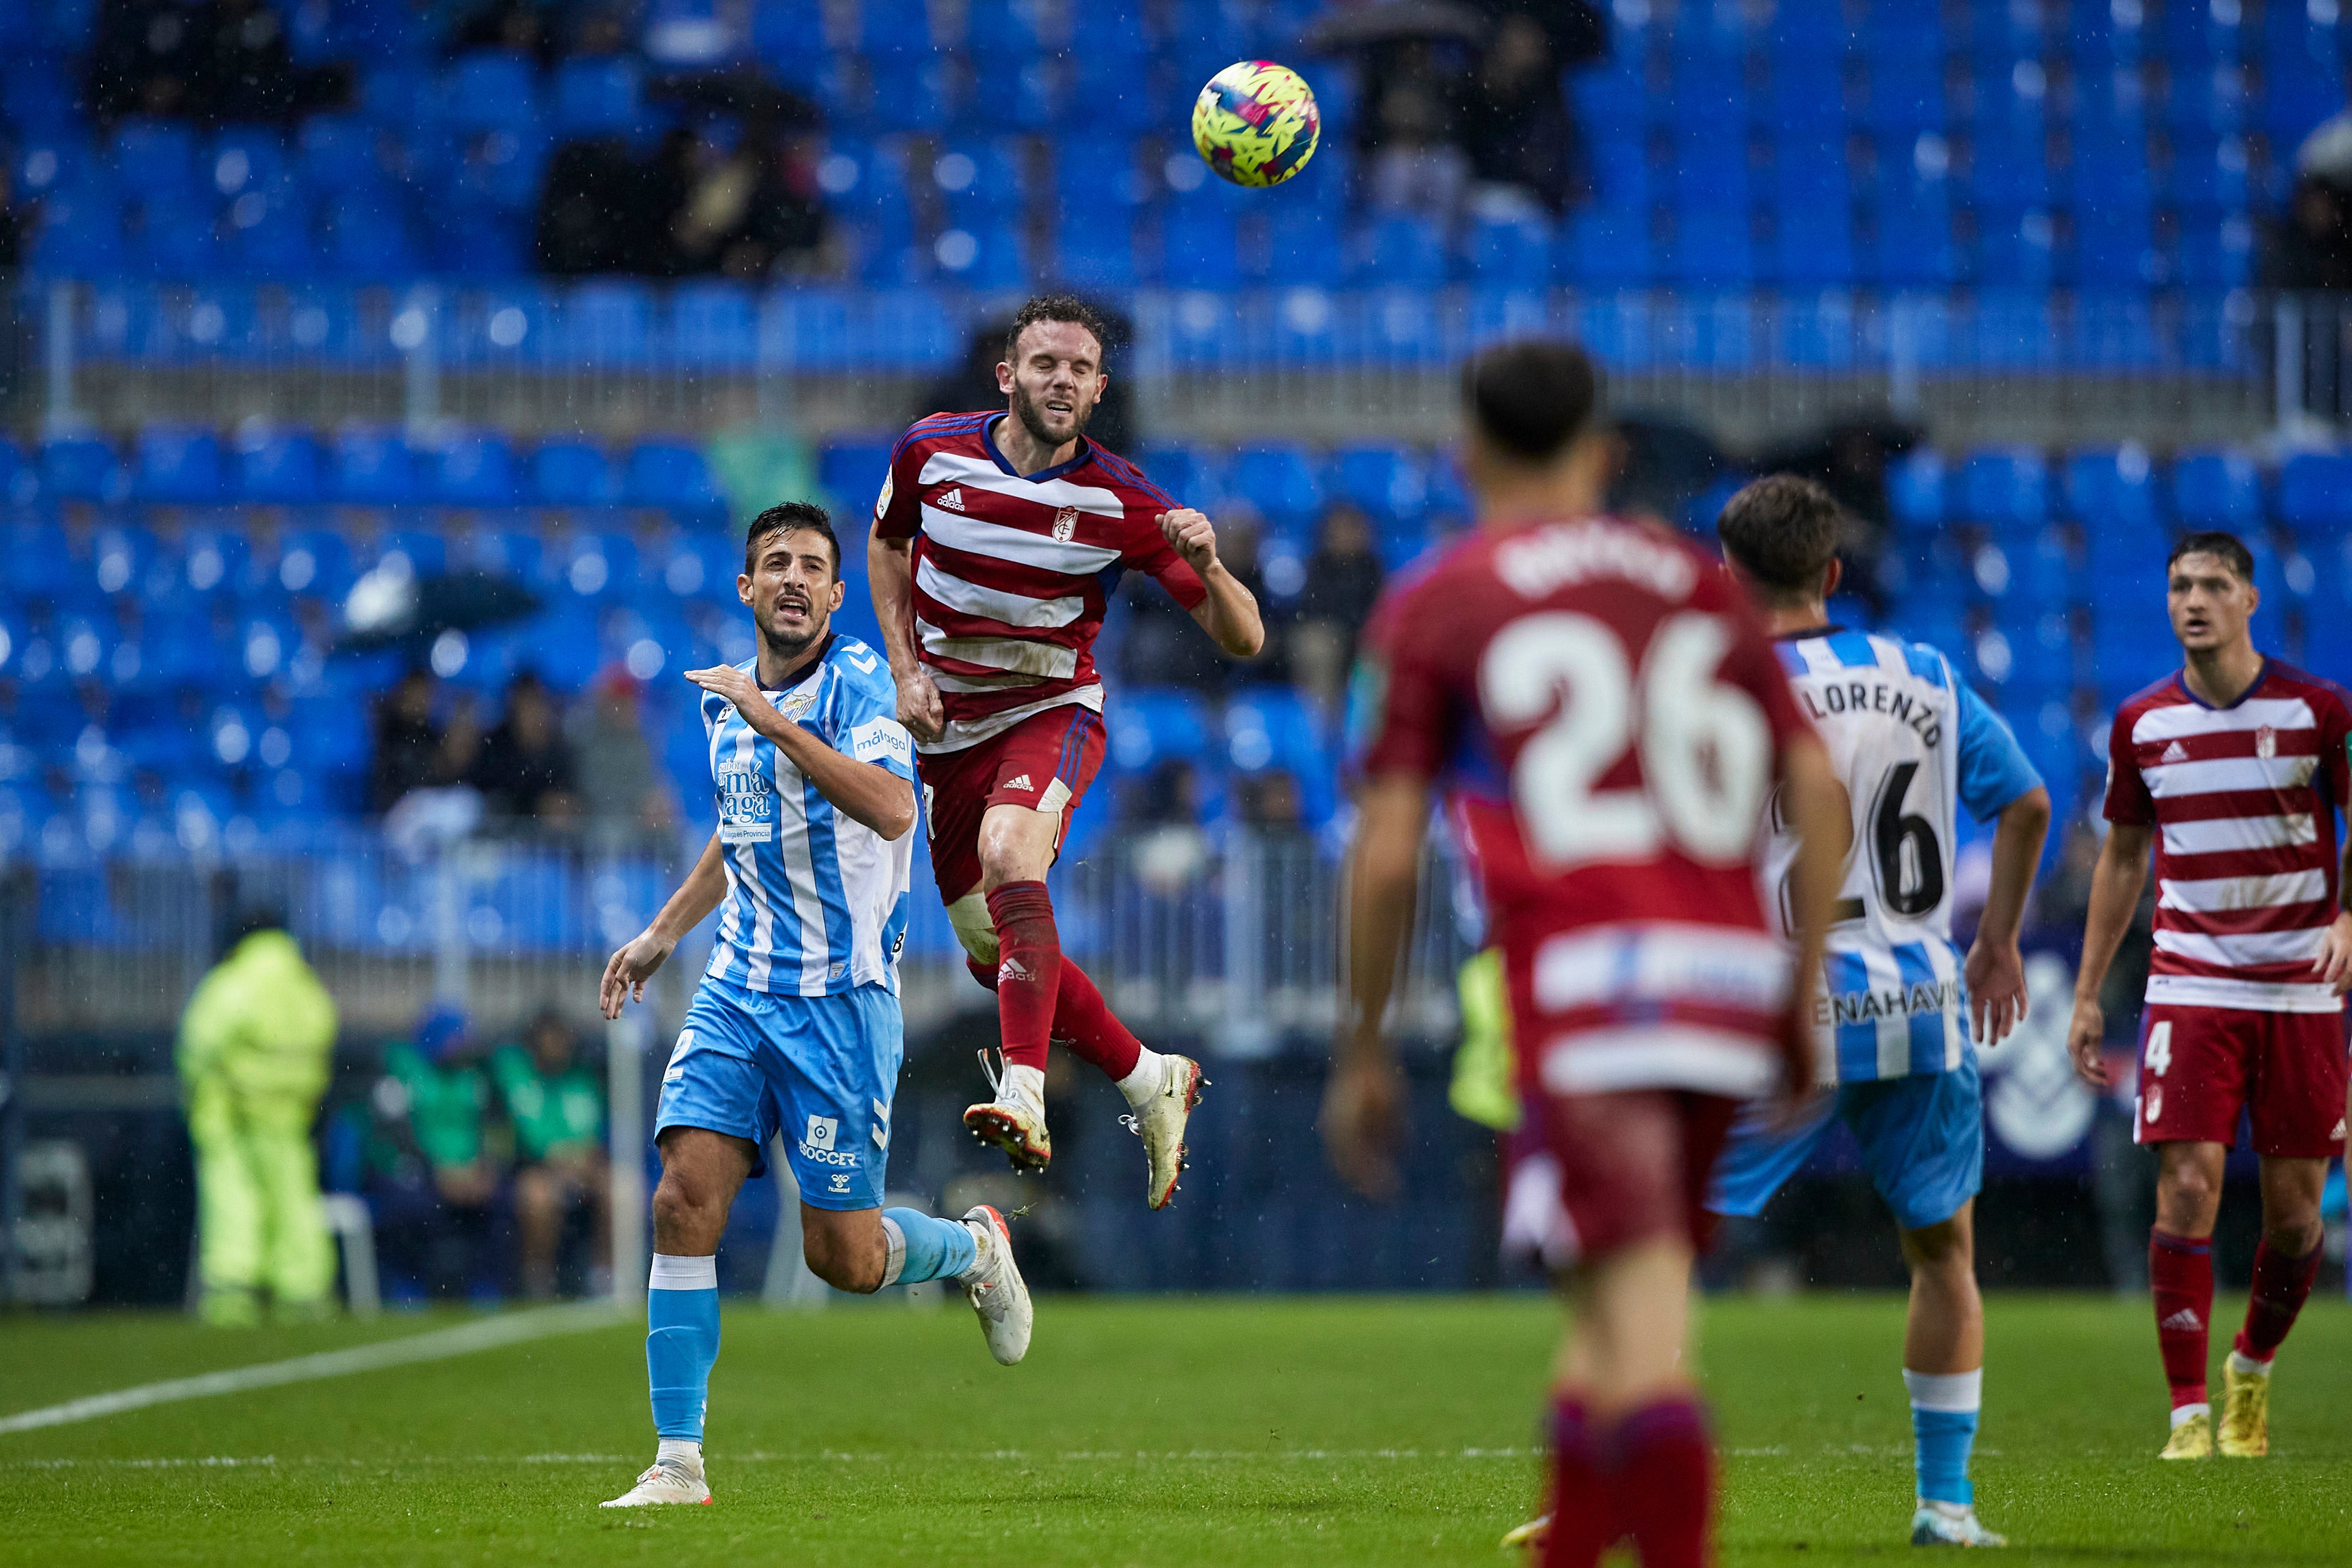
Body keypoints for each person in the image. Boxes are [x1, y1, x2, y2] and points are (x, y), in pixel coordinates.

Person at [1321, 340, 1845, 1568]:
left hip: (1592, 987)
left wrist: (1362, 1043)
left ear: (1468, 455)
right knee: (1613, 1309)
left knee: (1642, 1329)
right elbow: (1812, 791)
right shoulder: (1695, 581)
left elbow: (1388, 853)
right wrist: (1800, 987)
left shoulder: (1441, 598)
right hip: (1723, 984)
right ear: (1602, 454)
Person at [597, 502, 1031, 1509]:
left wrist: (773, 718)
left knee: (844, 1255)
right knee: (681, 1197)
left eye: (813, 567)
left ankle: (973, 1247)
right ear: (746, 588)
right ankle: (677, 1462)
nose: (793, 578)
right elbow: (741, 827)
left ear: (838, 596)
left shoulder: (861, 684)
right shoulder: (728, 702)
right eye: (774, 563)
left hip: (839, 1003)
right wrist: (666, 930)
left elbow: (888, 805)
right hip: (738, 990)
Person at [1705, 474, 2049, 1548]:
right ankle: (1946, 1504)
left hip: (1778, 1010)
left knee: (1659, 1251)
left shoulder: (1720, 686)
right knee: (1943, 1250)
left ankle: (1618, 1482)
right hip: (1917, 998)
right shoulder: (1926, 672)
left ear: (1728, 577)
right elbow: (2031, 798)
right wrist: (1995, 942)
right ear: (1834, 573)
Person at [866, 293, 1265, 1206]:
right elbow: (887, 549)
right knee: (984, 946)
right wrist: (902, 666)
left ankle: (1025, 1090)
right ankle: (1149, 1076)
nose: (1061, 380)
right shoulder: (931, 452)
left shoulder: (1122, 497)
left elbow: (1244, 638)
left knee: (1013, 854)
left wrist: (1207, 564)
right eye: (1044, 363)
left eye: (1079, 369)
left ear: (1099, 389)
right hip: (948, 733)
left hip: (1052, 710)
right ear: (1008, 376)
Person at [2066, 531, 2352, 1461]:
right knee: (2184, 1184)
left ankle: (2251, 1367)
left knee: (2295, 1213)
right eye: (2181, 585)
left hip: (2301, 989)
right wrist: (2085, 990)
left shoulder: (2319, 709)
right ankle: (2188, 1410)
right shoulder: (2143, 723)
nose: (2195, 599)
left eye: (2214, 584)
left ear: (2251, 599)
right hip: (2190, 982)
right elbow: (2121, 857)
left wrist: (2347, 917)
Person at [177, 906, 340, 1325]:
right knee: (294, 1199)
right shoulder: (305, 984)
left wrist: (199, 1093)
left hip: (232, 1111)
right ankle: (302, 1290)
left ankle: (234, 1290)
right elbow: (325, 1034)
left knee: (233, 1197)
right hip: (289, 1113)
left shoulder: (233, 982)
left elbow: (198, 1044)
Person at [365, 1005, 502, 1301]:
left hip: (466, 1173)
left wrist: (486, 1167)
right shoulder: (400, 1071)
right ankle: (407, 1283)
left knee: (503, 1198)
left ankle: (483, 1283)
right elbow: (394, 1132)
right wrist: (435, 1171)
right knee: (410, 1203)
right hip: (414, 1170)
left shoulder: (474, 1077)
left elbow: (495, 1129)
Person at [492, 1009, 612, 1299]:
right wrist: (557, 1161)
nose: (557, 1046)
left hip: (582, 1172)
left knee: (622, 1189)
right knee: (539, 1197)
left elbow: (594, 1137)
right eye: (550, 1039)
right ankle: (538, 1280)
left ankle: (606, 1279)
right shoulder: (516, 1077)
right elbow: (518, 1140)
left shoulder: (581, 1081)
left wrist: (581, 1163)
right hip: (534, 1171)